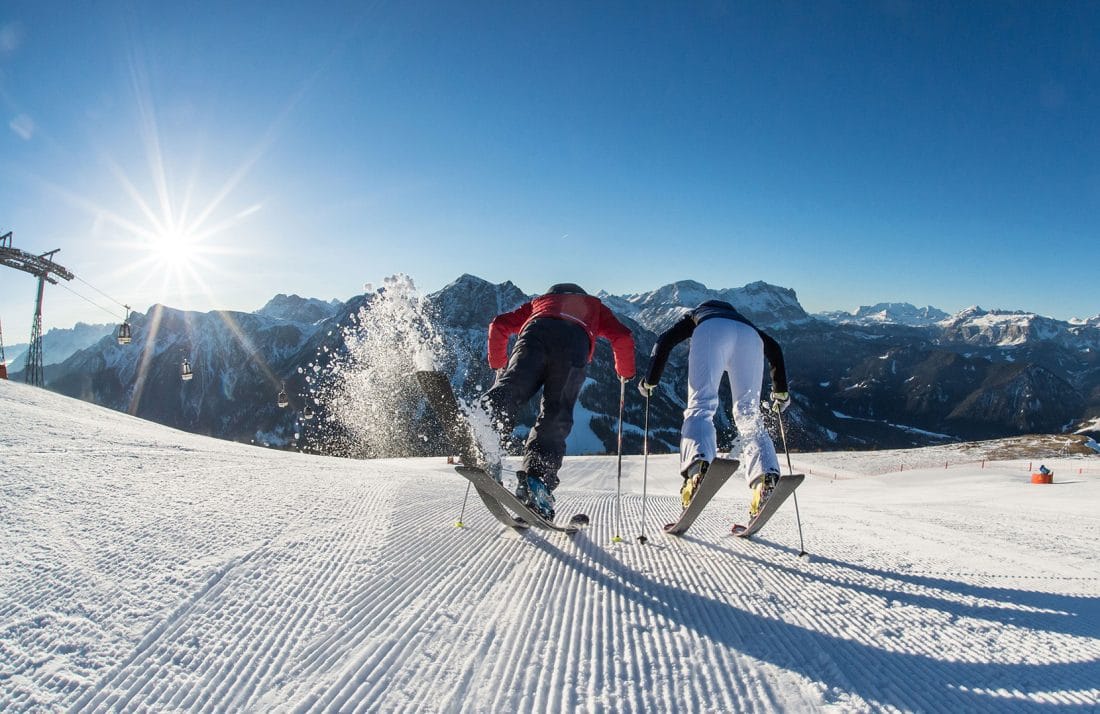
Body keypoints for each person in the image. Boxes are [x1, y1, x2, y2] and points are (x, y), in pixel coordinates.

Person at [478, 283, 635, 520]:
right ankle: (537, 483)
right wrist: (626, 372)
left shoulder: (538, 304)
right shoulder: (594, 307)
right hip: (574, 345)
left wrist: (498, 365)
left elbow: (499, 324)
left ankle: (484, 430)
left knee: (512, 388)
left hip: (535, 333)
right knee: (555, 414)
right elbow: (622, 336)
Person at [637, 299, 789, 518]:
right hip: (750, 339)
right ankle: (765, 479)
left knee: (700, 405)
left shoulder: (698, 314)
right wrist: (781, 392)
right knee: (749, 414)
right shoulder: (743, 320)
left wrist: (650, 380)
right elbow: (774, 349)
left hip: (711, 331)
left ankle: (697, 468)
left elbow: (664, 341)